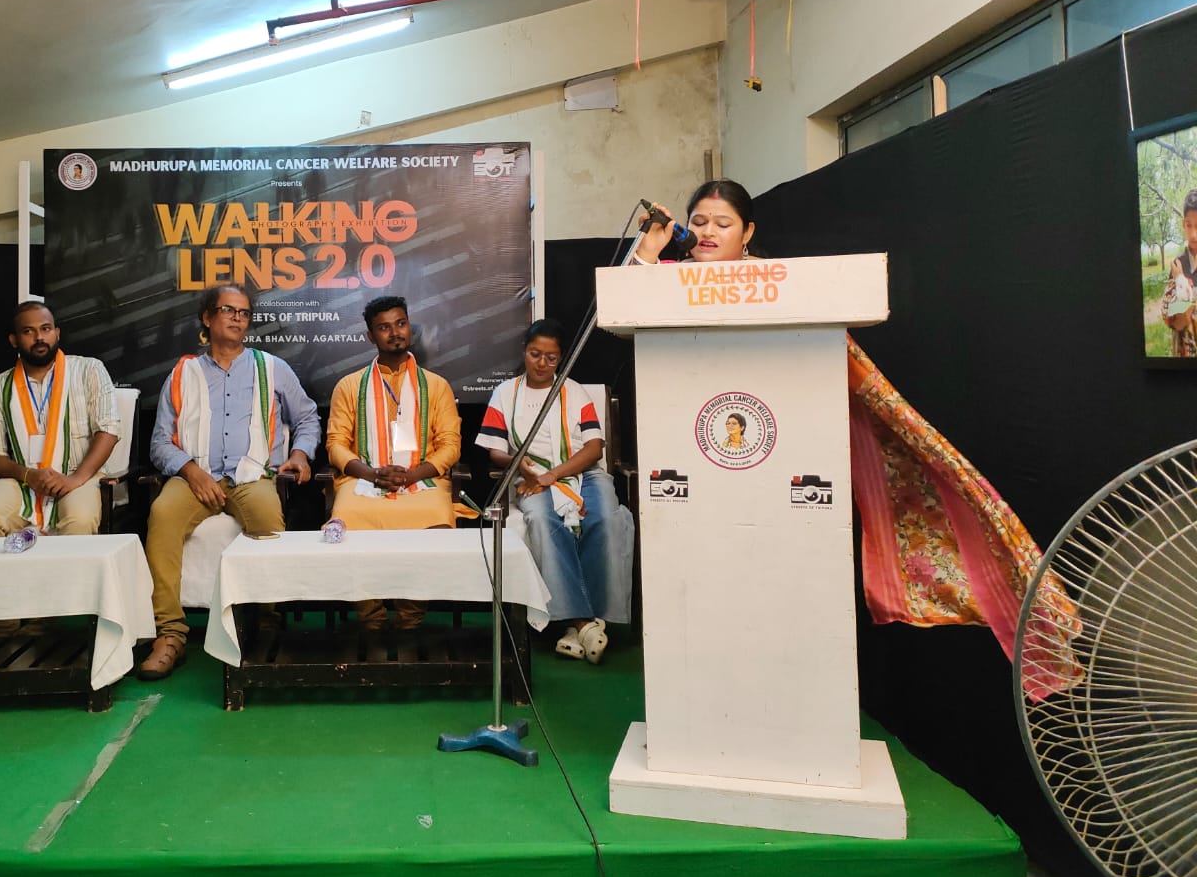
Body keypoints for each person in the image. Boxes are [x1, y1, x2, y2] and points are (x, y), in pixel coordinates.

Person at [629, 178, 1057, 670]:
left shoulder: (781, 283)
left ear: (747, 233)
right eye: (699, 222)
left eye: (723, 223)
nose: (708, 232)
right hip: (692, 459)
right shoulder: (667, 281)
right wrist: (649, 250)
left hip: (775, 461)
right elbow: (622, 309)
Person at [140, 283, 321, 679]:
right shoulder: (183, 373)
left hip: (252, 474)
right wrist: (191, 471)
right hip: (195, 476)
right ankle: (170, 634)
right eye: (228, 310)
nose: (238, 318)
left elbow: (308, 417)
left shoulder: (272, 368)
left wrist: (300, 453)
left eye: (244, 312)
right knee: (162, 516)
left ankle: (267, 624)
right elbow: (159, 442)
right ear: (207, 318)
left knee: (268, 522)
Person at [476, 318, 633, 664]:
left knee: (606, 519)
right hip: (531, 476)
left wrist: (555, 475)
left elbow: (594, 448)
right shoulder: (505, 393)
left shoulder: (573, 391)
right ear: (524, 351)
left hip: (583, 474)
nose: (542, 363)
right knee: (543, 522)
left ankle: (581, 624)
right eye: (535, 354)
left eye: (551, 357)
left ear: (561, 358)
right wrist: (519, 464)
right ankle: (583, 622)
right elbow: (495, 451)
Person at [326, 295, 463, 630]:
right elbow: (336, 445)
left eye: (400, 324)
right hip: (364, 480)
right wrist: (373, 475)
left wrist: (412, 475)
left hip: (421, 480)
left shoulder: (436, 386)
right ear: (371, 336)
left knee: (437, 516)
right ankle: (371, 618)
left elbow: (450, 446)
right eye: (384, 327)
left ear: (409, 327)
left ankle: (410, 617)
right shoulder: (349, 386)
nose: (395, 333)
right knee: (345, 517)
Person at [0, 299, 120, 540]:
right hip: (21, 481)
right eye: (28, 331)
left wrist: (75, 479)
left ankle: (69, 570)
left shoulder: (89, 370)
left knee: (79, 518)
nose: (39, 337)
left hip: (80, 475)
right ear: (14, 340)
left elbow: (108, 431)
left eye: (45, 329)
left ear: (57, 333)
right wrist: (28, 475)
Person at [1160, 188, 1197, 357]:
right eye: (1189, 225)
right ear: (1183, 225)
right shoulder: (1178, 265)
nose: (1194, 234)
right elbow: (1176, 320)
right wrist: (1180, 280)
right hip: (1185, 356)